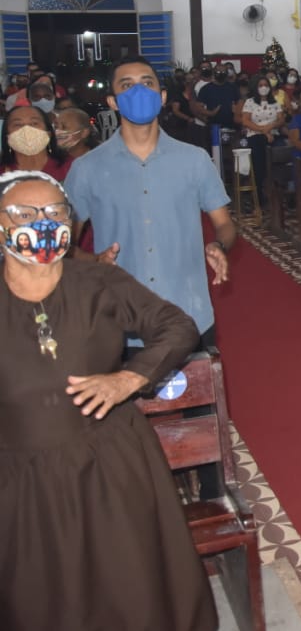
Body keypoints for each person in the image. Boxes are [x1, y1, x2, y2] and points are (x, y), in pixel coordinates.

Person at [0, 170, 217, 631]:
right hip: (20, 478)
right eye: (24, 213)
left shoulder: (97, 281)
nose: (43, 223)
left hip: (109, 463)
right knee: (40, 594)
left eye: (56, 212)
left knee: (131, 585)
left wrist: (130, 378)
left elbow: (177, 326)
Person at [64, 57, 235, 346]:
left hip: (189, 312)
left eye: (147, 83)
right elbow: (64, 244)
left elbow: (225, 225)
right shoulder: (87, 168)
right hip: (121, 318)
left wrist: (219, 246)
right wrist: (95, 261)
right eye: (127, 86)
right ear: (113, 101)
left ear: (162, 96)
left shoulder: (194, 160)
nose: (139, 92)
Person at [236, 74, 286, 208]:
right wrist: (263, 130)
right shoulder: (250, 102)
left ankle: (278, 195)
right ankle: (258, 198)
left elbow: (281, 119)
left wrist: (270, 128)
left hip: (272, 135)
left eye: (266, 85)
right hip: (255, 136)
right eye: (260, 85)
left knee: (277, 165)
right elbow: (245, 120)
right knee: (259, 168)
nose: (263, 88)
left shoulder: (274, 102)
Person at [2, 106, 69, 181]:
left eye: (34, 123)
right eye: (18, 124)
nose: (27, 129)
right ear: (7, 136)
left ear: (49, 133)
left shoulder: (70, 166)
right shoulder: (2, 171)